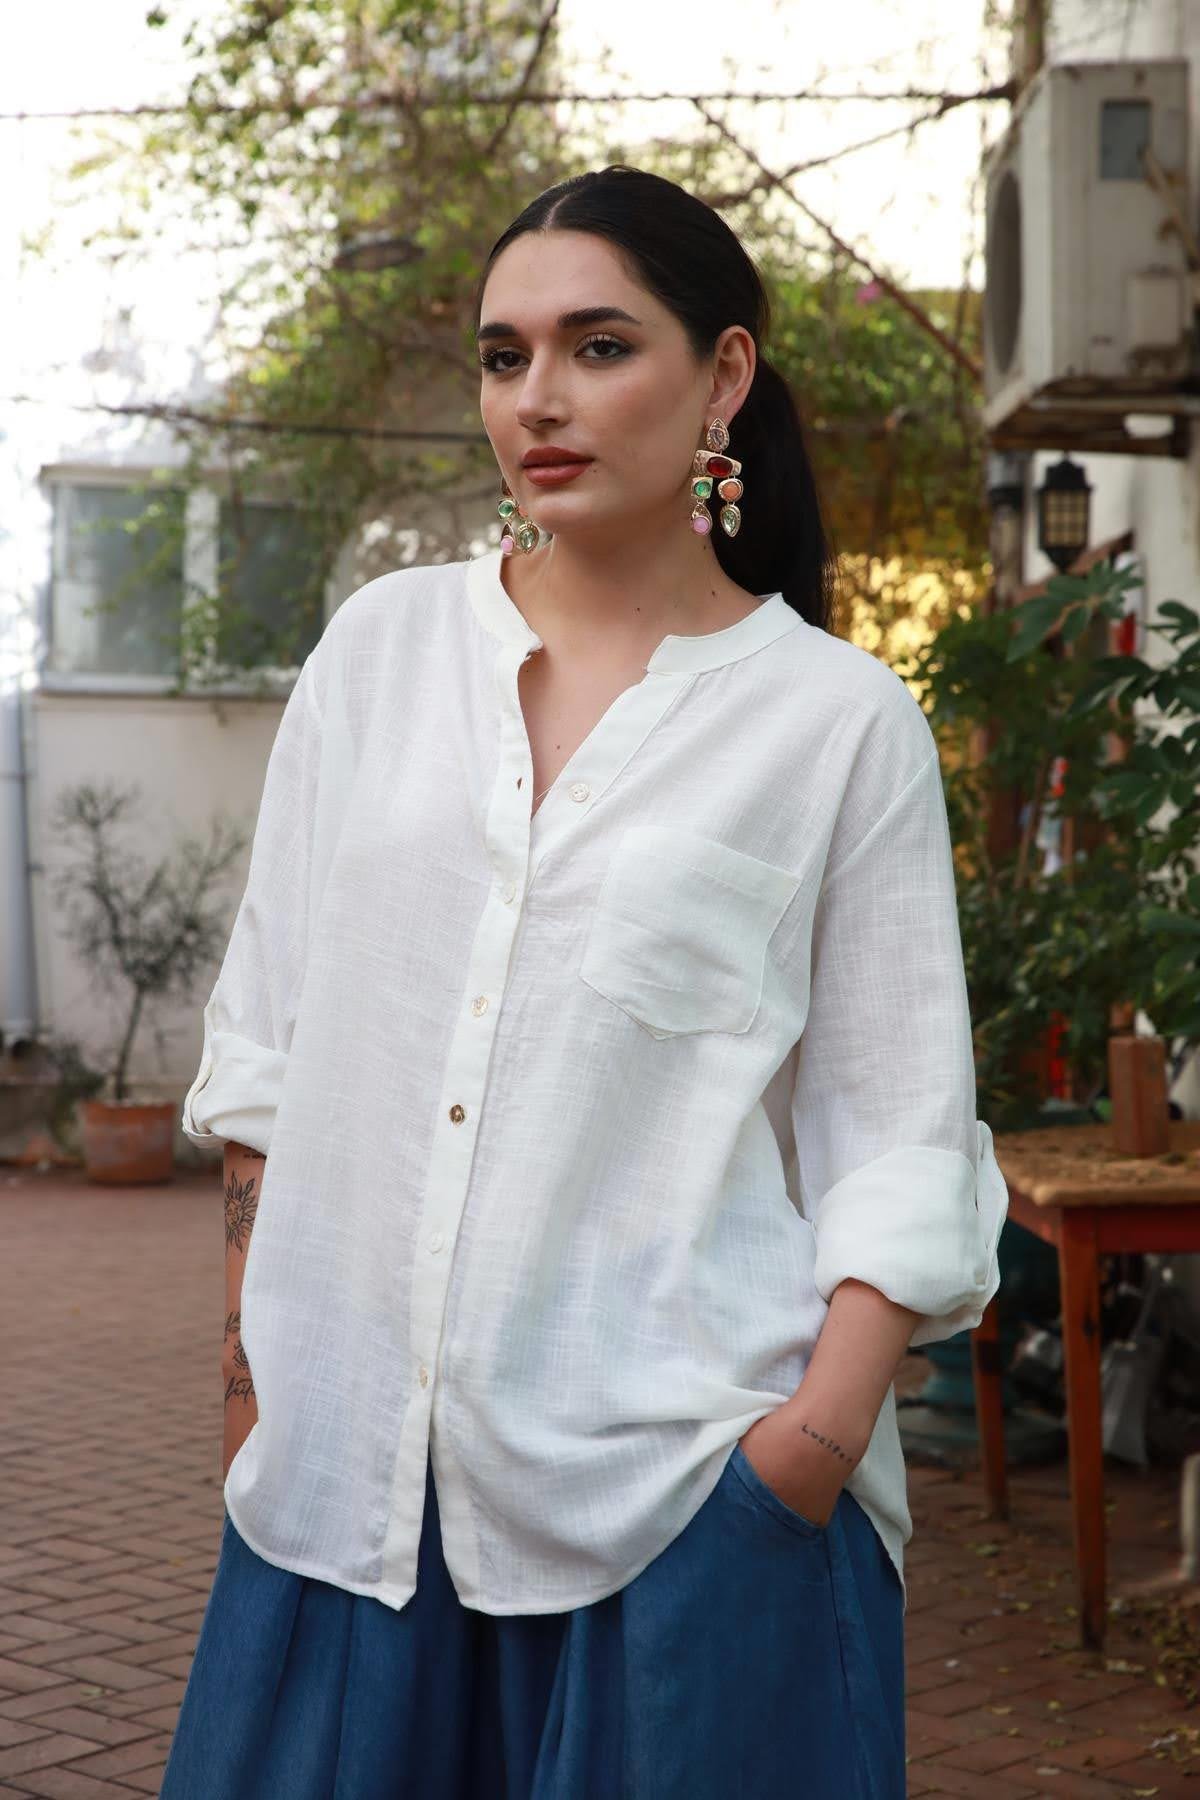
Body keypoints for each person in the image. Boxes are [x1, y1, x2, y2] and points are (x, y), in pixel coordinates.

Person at [159, 164, 1008, 1799]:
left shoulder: (836, 725)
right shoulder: (381, 656)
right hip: (344, 1508)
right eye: (505, 356)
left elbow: (898, 1139)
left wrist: (803, 1458)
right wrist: (256, 1395)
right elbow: (267, 1054)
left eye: (598, 346)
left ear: (725, 374)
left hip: (683, 1521)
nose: (536, 398)